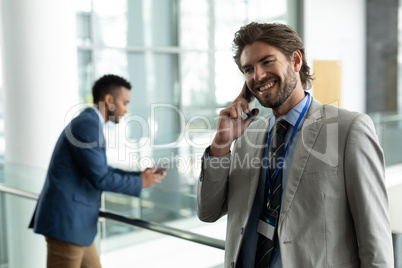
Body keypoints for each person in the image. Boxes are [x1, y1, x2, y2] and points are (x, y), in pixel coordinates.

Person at [196, 22, 394, 268]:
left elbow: (375, 240)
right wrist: (221, 144)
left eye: (267, 61)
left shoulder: (348, 129)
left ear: (296, 61)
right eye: (248, 69)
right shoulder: (247, 134)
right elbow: (208, 212)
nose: (257, 76)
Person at [29, 74, 166, 267]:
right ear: (109, 100)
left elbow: (100, 169)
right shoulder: (87, 125)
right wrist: (141, 183)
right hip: (68, 224)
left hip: (78, 225)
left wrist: (139, 175)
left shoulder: (90, 123)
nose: (126, 110)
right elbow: (101, 178)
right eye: (125, 103)